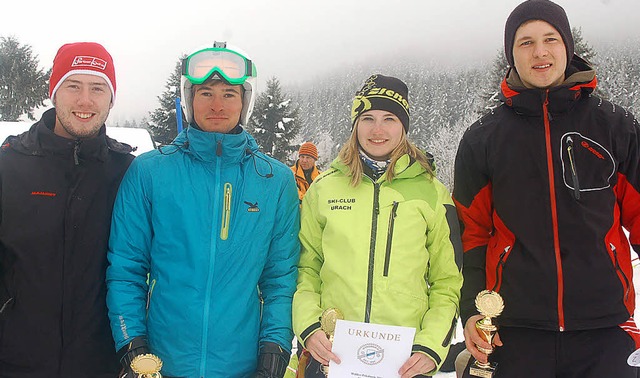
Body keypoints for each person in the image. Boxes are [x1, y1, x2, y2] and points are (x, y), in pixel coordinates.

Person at [453, 1, 640, 377]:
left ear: (567, 46)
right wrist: (472, 311)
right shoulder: (483, 138)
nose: (539, 52)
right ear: (511, 54)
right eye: (525, 43)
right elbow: (471, 236)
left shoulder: (614, 125)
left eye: (550, 39)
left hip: (604, 326)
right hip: (514, 330)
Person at [105, 41, 300, 378]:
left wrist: (274, 353)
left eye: (229, 93)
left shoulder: (275, 180)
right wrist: (131, 344)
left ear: (244, 102)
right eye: (206, 92)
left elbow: (280, 279)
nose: (217, 104)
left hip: (243, 366)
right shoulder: (150, 172)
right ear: (189, 100)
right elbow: (126, 268)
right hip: (162, 364)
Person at [293, 74, 463, 377]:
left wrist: (431, 346)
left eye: (390, 118)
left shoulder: (432, 193)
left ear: (404, 126)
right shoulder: (324, 189)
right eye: (367, 118)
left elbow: (447, 282)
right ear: (355, 124)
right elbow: (306, 269)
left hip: (404, 362)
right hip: (332, 356)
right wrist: (309, 327)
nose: (377, 129)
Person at [0, 42, 134, 377]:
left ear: (111, 98)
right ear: (54, 92)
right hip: (15, 362)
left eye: (98, 88)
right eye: (73, 85)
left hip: (100, 365)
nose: (85, 100)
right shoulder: (8, 167)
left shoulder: (129, 173)